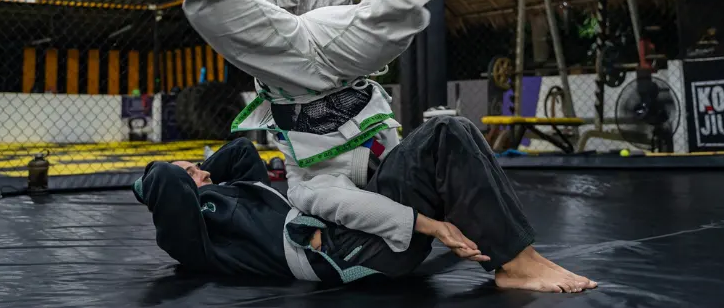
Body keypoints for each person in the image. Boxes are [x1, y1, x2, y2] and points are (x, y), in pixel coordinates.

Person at [145, 0, 595, 292]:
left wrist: (195, 170)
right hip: (297, 53)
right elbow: (268, 6)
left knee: (223, 6)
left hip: (323, 42)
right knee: (397, 21)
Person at [133, 119, 596, 292]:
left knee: (450, 130)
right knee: (442, 138)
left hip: (354, 227)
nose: (197, 174)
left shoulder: (239, 189)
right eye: (189, 175)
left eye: (194, 168)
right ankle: (517, 263)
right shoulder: (193, 237)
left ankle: (516, 258)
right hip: (337, 251)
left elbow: (239, 150)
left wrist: (204, 167)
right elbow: (168, 184)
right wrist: (156, 175)